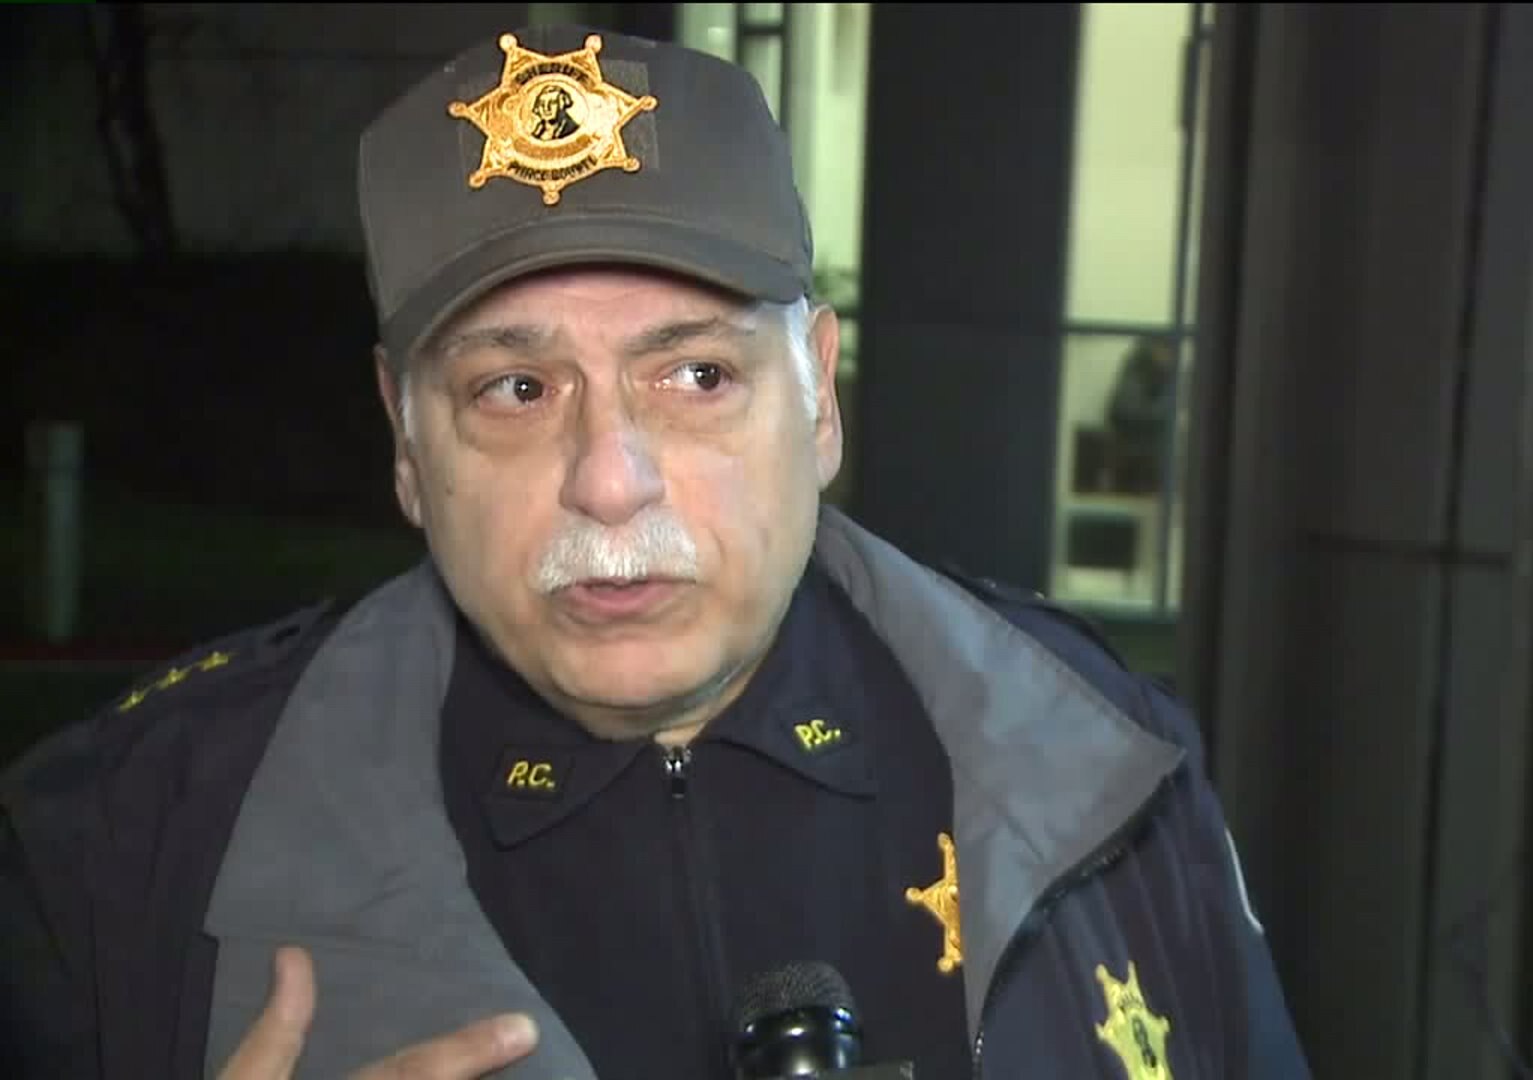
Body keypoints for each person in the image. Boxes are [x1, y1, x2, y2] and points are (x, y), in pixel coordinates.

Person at [0, 24, 1313, 1080]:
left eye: (694, 375)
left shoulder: (1106, 767)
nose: (610, 481)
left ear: (820, 394)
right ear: (405, 441)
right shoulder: (118, 847)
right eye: (516, 390)